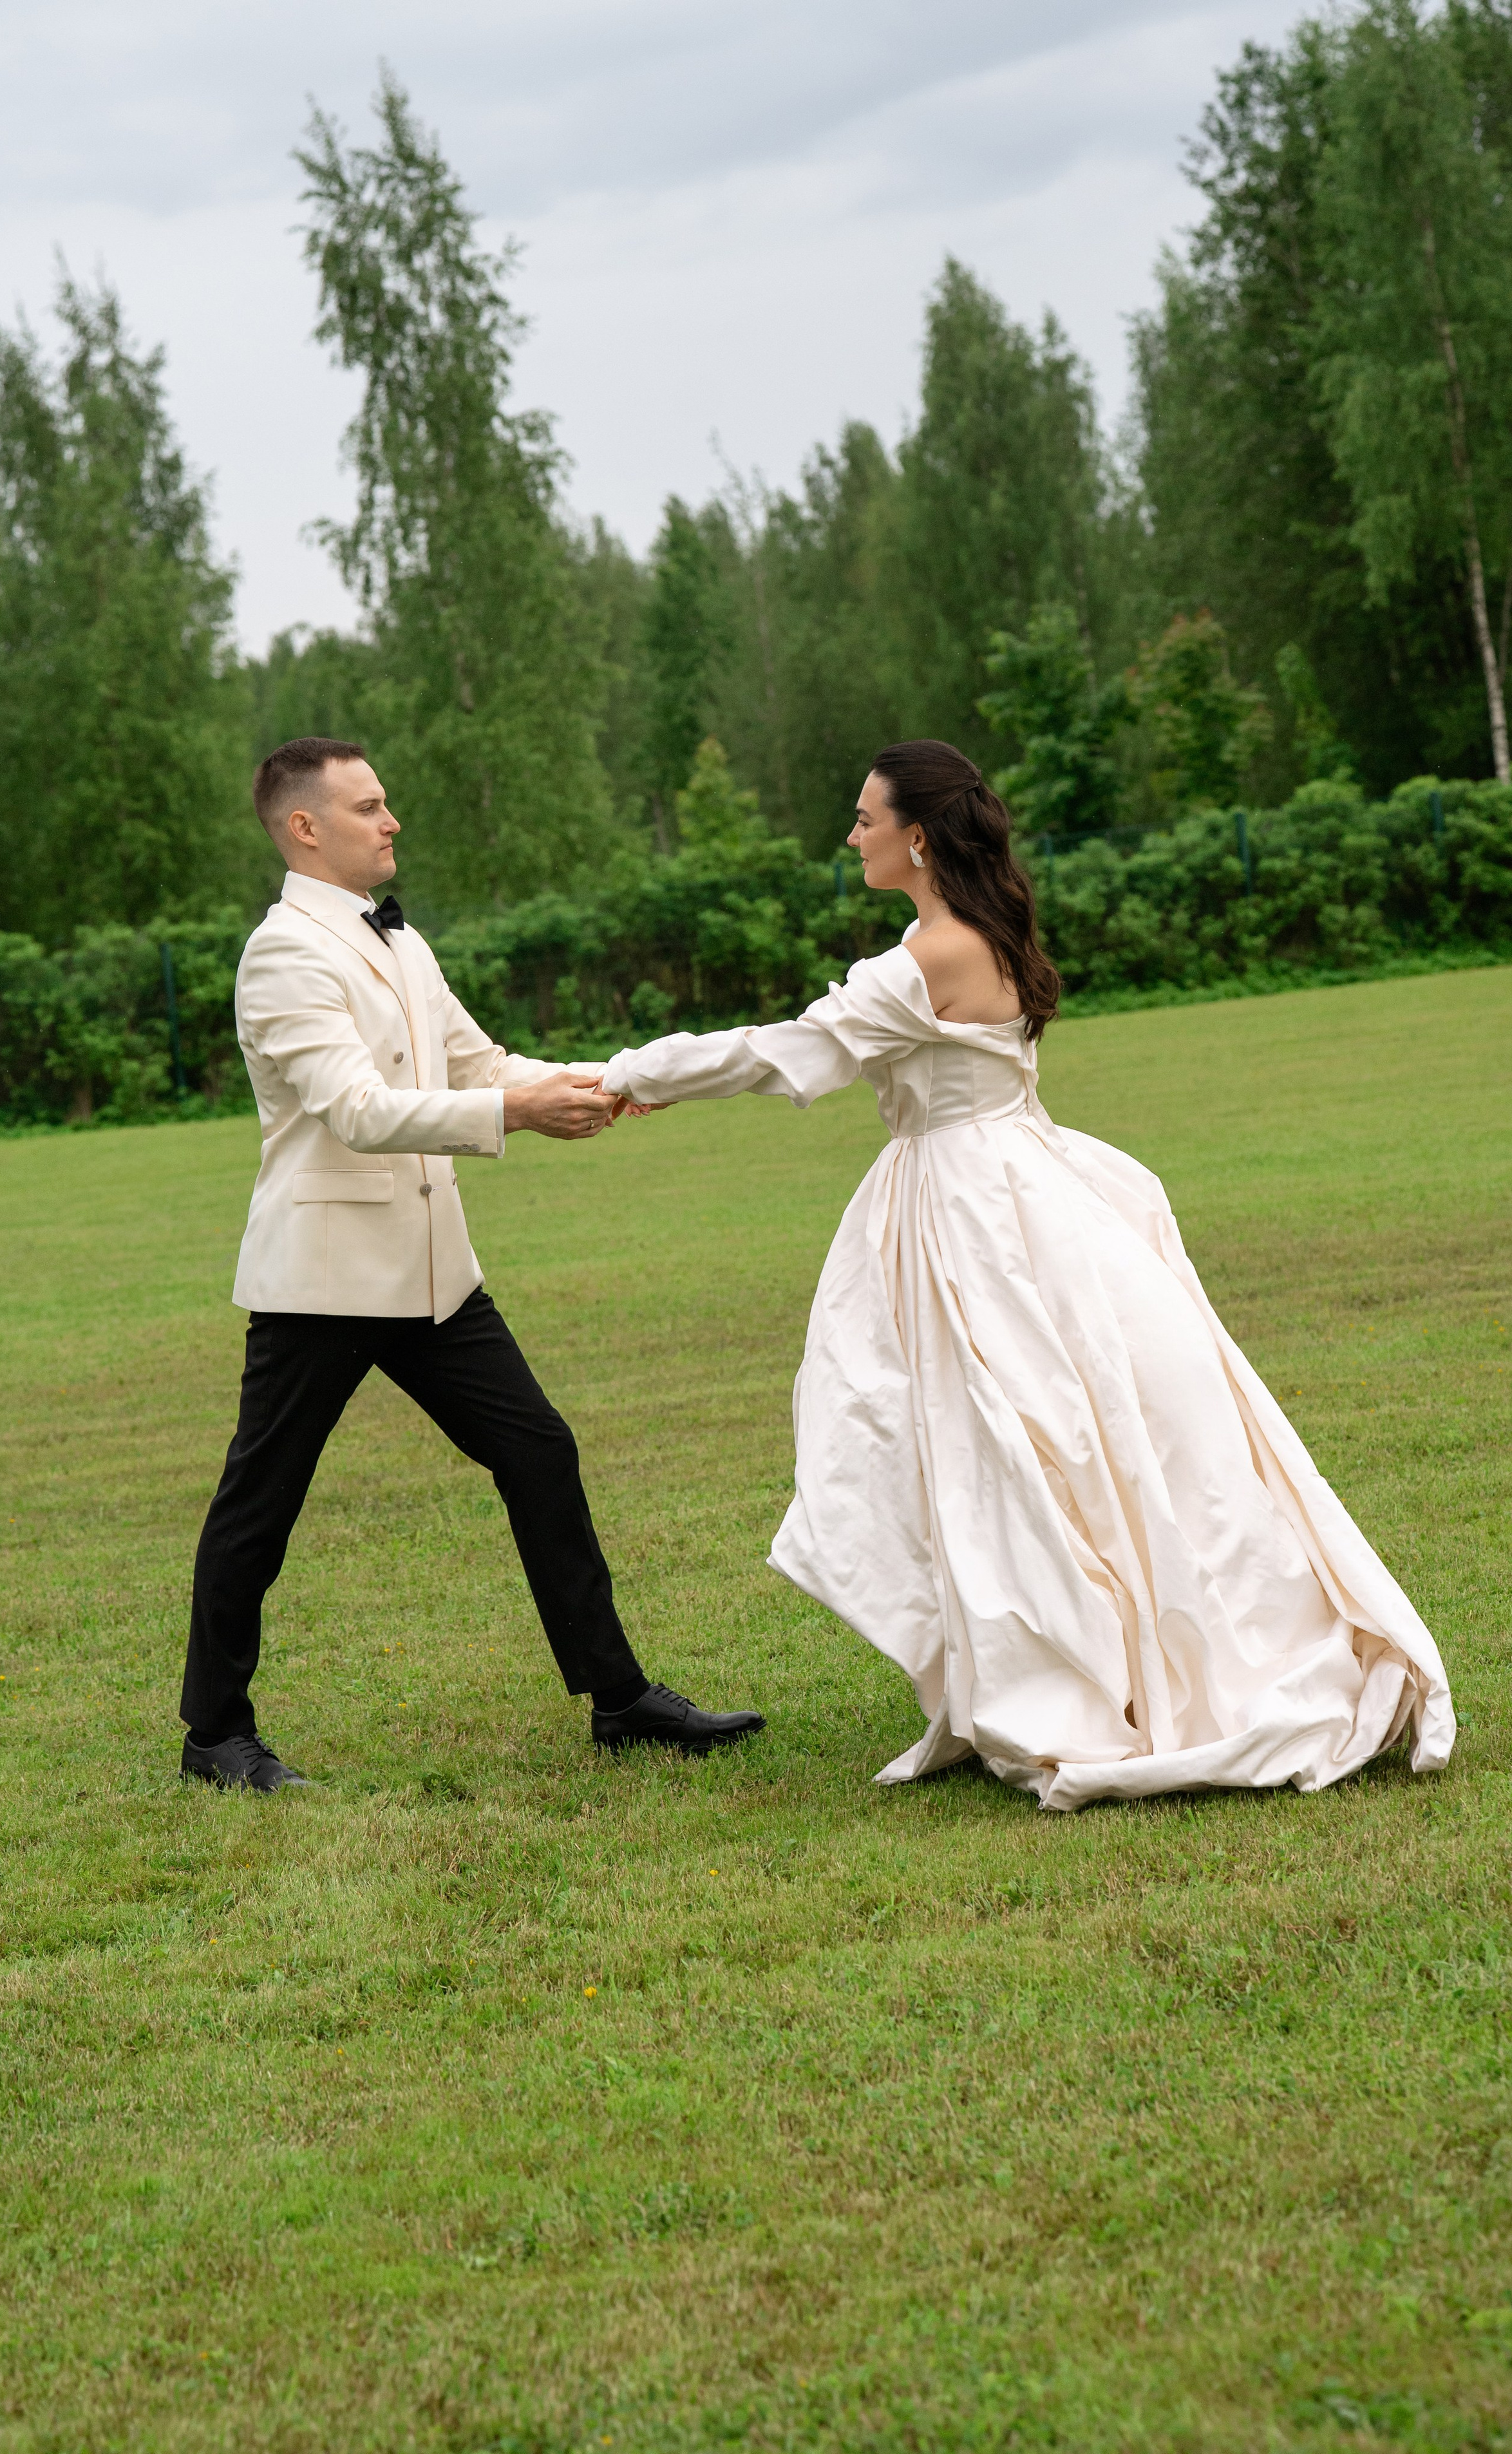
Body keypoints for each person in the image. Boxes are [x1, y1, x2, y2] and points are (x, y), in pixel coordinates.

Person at [600, 741, 1453, 1811]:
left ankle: (1077, 1677)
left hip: (979, 1211)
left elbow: (789, 1053)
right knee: (1030, 1437)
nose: (850, 834)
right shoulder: (966, 931)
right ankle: (1042, 1660)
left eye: (864, 818)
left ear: (917, 835)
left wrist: (628, 1072)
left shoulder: (934, 956)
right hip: (1006, 1186)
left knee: (1009, 1439)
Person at [178, 737, 762, 1790]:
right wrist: (519, 1114)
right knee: (259, 1507)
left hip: (434, 1275)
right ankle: (214, 1737)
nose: (391, 819)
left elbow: (480, 1063)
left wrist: (608, 1078)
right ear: (304, 827)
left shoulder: (403, 944)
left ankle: (620, 1700)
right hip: (323, 1281)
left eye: (387, 801)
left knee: (539, 1452)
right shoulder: (282, 954)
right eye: (369, 806)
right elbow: (359, 1112)